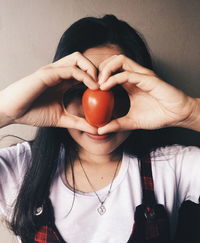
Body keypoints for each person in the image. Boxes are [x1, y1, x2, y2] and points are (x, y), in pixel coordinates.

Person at [0, 14, 199, 243]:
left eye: (118, 90)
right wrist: (6, 110)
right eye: (79, 91)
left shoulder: (172, 166)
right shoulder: (19, 169)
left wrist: (188, 111)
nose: (99, 120)